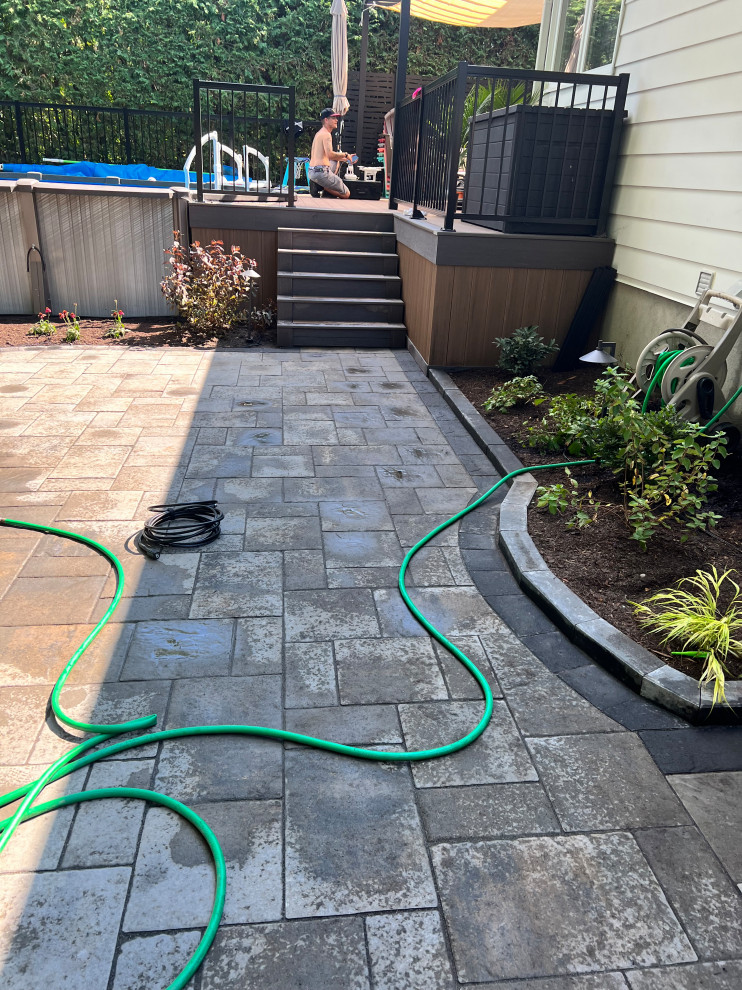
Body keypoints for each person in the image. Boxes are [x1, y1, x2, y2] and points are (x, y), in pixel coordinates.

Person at [308, 108, 353, 198]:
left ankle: (322, 186)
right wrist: (346, 155)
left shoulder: (319, 133)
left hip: (312, 171)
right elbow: (330, 155)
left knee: (336, 162)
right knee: (346, 194)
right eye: (333, 118)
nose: (336, 120)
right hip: (321, 172)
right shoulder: (327, 135)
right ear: (326, 120)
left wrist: (344, 158)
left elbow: (329, 156)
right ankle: (321, 186)